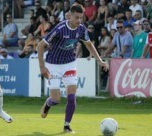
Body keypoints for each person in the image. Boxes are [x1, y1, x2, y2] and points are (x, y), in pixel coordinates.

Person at [37, 5, 108, 133]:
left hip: (69, 64)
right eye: (76, 17)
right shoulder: (60, 29)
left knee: (71, 97)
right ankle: (48, 104)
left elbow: (88, 44)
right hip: (53, 65)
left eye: (81, 18)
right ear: (70, 15)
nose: (79, 20)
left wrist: (100, 61)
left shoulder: (81, 28)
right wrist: (42, 67)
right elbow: (41, 45)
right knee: (56, 99)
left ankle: (67, 125)